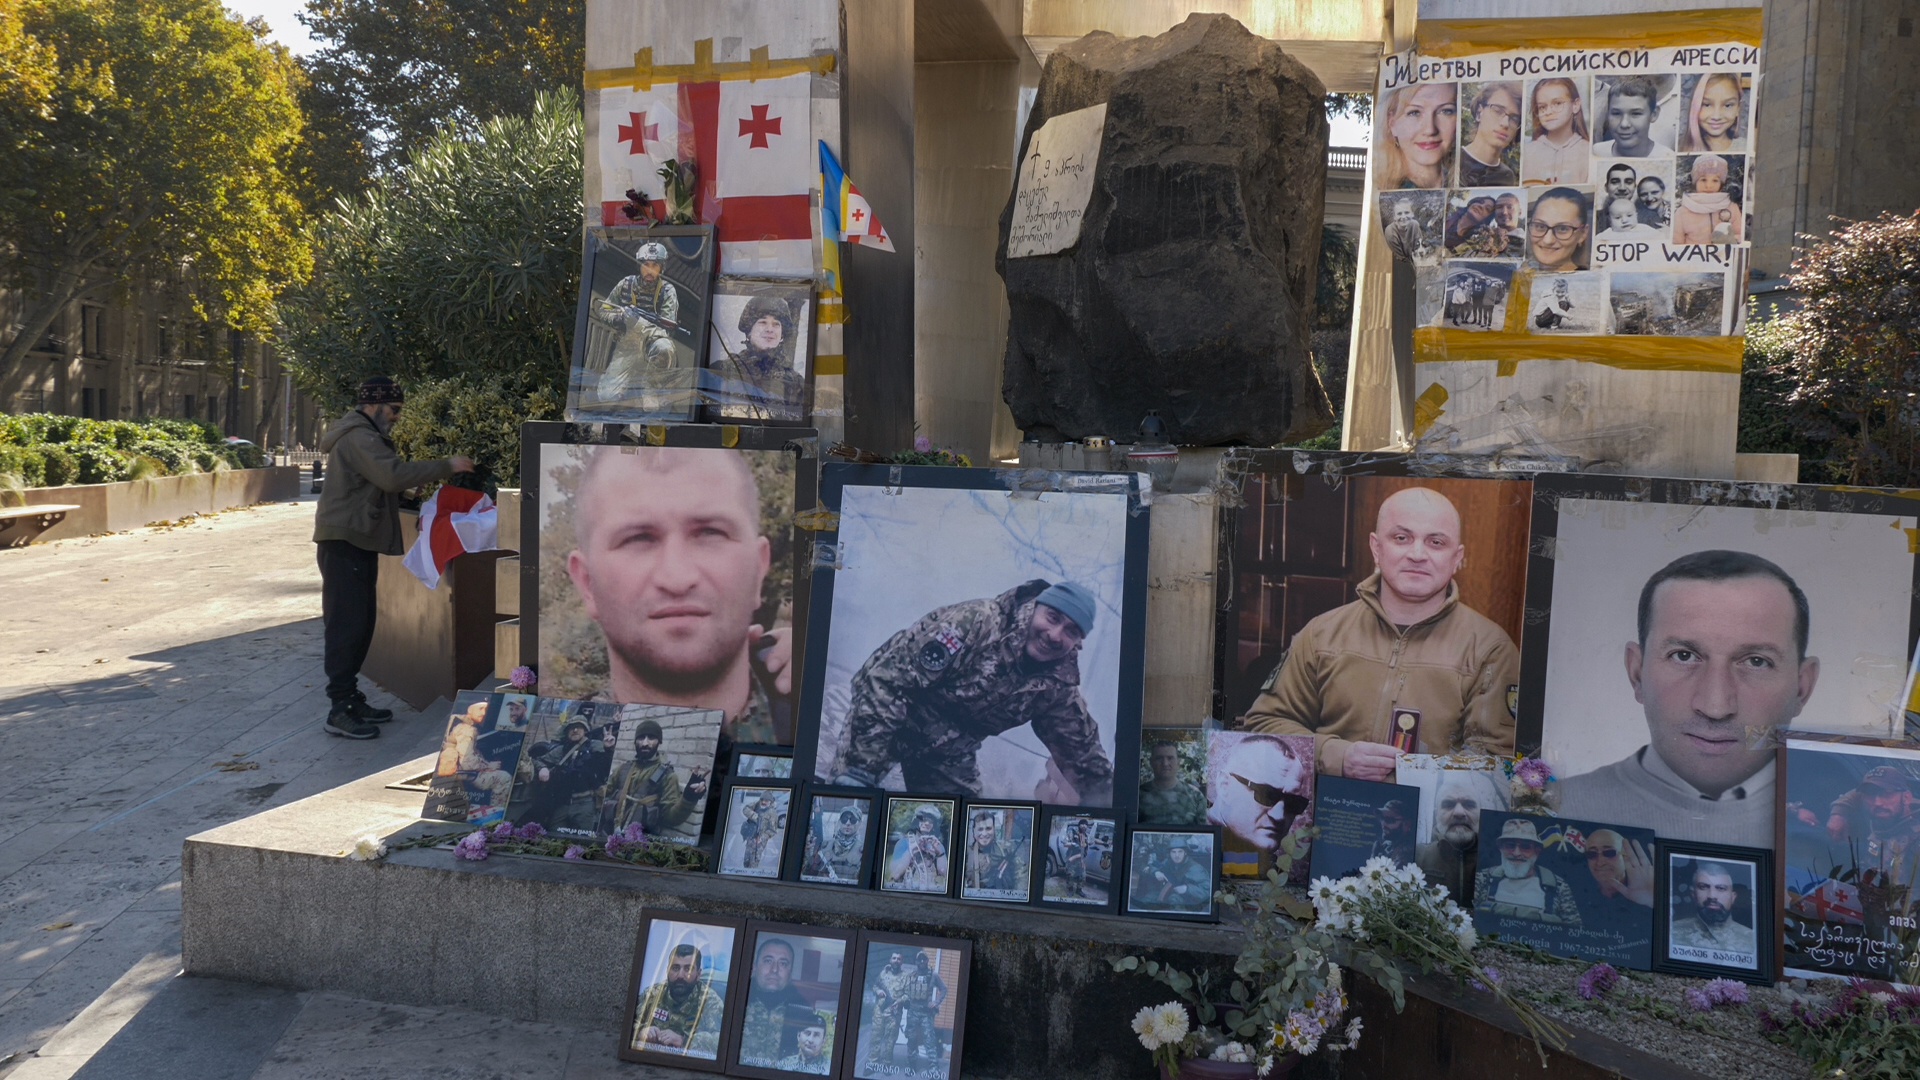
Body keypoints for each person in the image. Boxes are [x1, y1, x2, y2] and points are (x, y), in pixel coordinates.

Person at [1242, 487, 1520, 778]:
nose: (1417, 554)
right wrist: (1337, 756)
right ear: (1376, 548)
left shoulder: (1490, 648)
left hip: (1432, 821)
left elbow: (1497, 762)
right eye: (1401, 538)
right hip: (1331, 818)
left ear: (1456, 557)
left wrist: (1407, 775)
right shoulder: (1322, 634)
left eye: (1436, 542)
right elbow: (1265, 725)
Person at [1557, 550, 1820, 847]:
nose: (1716, 707)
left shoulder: (1853, 829)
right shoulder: (1552, 813)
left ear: (1802, 687)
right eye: (1683, 656)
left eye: (1756, 661)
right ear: (1636, 673)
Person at [564, 445, 792, 746]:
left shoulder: (832, 727)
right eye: (638, 538)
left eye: (711, 532)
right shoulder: (544, 762)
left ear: (759, 569)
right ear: (587, 582)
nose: (677, 578)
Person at [829, 579, 1115, 804]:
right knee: (849, 802)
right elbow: (887, 682)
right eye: (1052, 618)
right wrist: (861, 768)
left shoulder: (1057, 689)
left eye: (1070, 631)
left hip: (947, 754)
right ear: (1035, 608)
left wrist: (1115, 807)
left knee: (961, 828)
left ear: (1078, 642)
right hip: (890, 718)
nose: (1054, 635)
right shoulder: (976, 622)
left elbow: (1083, 755)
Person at [313, 376, 472, 739]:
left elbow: (374, 484)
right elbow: (390, 474)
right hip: (345, 543)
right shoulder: (359, 436)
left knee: (360, 623)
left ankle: (349, 699)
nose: (398, 416)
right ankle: (339, 709)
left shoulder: (362, 434)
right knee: (347, 626)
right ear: (374, 405)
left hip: (354, 541)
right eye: (395, 409)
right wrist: (448, 465)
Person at [594, 240, 681, 401]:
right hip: (627, 346)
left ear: (662, 268)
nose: (650, 270)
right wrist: (620, 317)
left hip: (653, 344)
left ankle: (652, 388)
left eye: (655, 265)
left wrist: (638, 323)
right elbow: (602, 310)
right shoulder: (626, 284)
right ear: (639, 266)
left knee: (665, 347)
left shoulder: (667, 291)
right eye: (646, 264)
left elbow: (667, 330)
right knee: (606, 396)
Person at [601, 718, 710, 836]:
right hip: (607, 835)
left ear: (659, 741)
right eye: (641, 738)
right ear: (635, 741)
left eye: (651, 738)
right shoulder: (622, 769)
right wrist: (608, 753)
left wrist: (689, 797)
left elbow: (672, 818)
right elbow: (601, 796)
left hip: (640, 843)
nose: (645, 743)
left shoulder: (667, 775)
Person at [1206, 735, 1311, 857]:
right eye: (1267, 795)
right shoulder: (1193, 844)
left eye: (1293, 802)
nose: (1279, 816)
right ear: (1224, 785)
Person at [711, 294, 808, 419]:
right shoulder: (721, 371)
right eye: (762, 322)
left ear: (782, 334)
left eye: (776, 324)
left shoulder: (795, 382)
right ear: (749, 331)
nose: (770, 329)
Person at [1417, 769, 1502, 906]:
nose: (1459, 812)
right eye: (1448, 805)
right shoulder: (1417, 856)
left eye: (1469, 805)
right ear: (1436, 814)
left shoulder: (1501, 860)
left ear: (1481, 814)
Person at [1474, 818, 1582, 925]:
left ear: (1537, 850)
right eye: (1510, 845)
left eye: (1525, 847)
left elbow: (1574, 932)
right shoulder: (1482, 878)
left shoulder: (1558, 886)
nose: (1516, 853)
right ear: (1500, 848)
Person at [516, 719, 615, 833]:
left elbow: (606, 766)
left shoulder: (594, 746)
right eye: (572, 728)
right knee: (553, 833)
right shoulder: (561, 750)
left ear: (585, 731)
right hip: (562, 803)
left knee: (583, 838)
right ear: (567, 732)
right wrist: (542, 768)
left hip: (585, 802)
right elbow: (536, 760)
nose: (575, 730)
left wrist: (609, 749)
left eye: (579, 727)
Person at [633, 942, 726, 1056]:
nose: (680, 975)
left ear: (698, 974)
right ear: (667, 970)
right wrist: (642, 1031)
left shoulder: (709, 1000)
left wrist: (683, 1041)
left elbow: (722, 1041)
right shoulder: (652, 994)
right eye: (675, 968)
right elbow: (630, 1023)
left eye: (688, 969)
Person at [737, 937, 814, 1066]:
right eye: (768, 961)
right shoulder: (735, 999)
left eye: (783, 963)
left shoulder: (802, 1010)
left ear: (790, 972)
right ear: (755, 967)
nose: (774, 970)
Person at [1668, 861, 1758, 963]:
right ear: (1693, 894)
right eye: (1703, 887)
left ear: (1733, 897)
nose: (1712, 895)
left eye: (1721, 888)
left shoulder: (1751, 940)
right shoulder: (1671, 932)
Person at [435, 700, 513, 816]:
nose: (483, 713)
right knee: (504, 777)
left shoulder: (464, 726)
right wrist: (488, 765)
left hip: (462, 769)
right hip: (464, 772)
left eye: (486, 710)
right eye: (480, 709)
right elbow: (467, 761)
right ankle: (492, 817)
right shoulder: (467, 730)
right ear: (469, 710)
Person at [1376, 82, 1457, 190]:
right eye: (1414, 113)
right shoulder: (1380, 189)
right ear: (1392, 123)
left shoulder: (1467, 182)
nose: (1430, 130)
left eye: (1445, 111)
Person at [1575, 828, 1655, 926]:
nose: (1600, 862)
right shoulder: (1576, 894)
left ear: (1626, 856)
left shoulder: (1645, 891)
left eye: (1609, 853)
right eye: (1592, 854)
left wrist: (1653, 901)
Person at [1520, 78, 1590, 184]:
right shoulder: (1527, 153)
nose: (1548, 112)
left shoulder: (1588, 152)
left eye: (1557, 103)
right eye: (1542, 107)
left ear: (1575, 105)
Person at [1457, 82, 1522, 186]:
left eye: (1514, 118)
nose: (1505, 124)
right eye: (1497, 111)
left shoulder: (1507, 176)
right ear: (1479, 113)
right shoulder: (1453, 161)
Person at [1593, 76, 1671, 157]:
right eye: (1616, 113)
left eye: (1635, 114)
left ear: (1654, 114)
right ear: (1608, 113)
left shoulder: (1666, 156)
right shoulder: (1597, 152)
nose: (1624, 124)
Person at [1673, 154, 1743, 244]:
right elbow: (1676, 244)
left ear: (1721, 183)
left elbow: (1740, 234)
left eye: (1715, 180)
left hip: (1724, 257)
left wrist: (1732, 241)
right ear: (1695, 182)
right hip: (1695, 257)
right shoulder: (1682, 212)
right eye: (1703, 180)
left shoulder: (1731, 206)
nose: (1709, 186)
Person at [1138, 740, 1208, 825]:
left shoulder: (1195, 796)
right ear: (1151, 762)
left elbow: (1203, 834)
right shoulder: (1139, 795)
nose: (1165, 763)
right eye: (1159, 758)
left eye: (1170, 758)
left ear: (1178, 762)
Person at [864, 950, 914, 1069]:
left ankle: (886, 1064)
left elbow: (908, 995)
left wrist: (899, 1001)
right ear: (890, 960)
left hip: (893, 1013)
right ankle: (872, 1064)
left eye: (899, 959)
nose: (896, 961)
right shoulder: (883, 973)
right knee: (875, 1038)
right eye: (894, 958)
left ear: (902, 961)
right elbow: (875, 986)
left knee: (890, 1040)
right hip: (879, 1012)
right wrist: (878, 991)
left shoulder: (906, 977)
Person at [901, 950, 949, 1065]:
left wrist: (936, 1002)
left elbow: (943, 989)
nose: (922, 961)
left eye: (924, 959)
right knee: (912, 1039)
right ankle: (912, 1064)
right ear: (916, 961)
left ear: (927, 960)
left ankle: (933, 1066)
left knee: (929, 1040)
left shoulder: (933, 975)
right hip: (912, 1012)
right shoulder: (911, 976)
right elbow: (904, 990)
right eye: (919, 959)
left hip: (926, 1013)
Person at [1527, 187, 1591, 272]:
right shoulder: (1518, 278)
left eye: (1562, 229)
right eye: (1540, 226)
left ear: (1583, 233)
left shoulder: (1589, 283)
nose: (1548, 241)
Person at [962, 811, 1025, 897]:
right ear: (974, 831)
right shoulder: (966, 853)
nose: (984, 834)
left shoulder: (1006, 849)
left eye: (988, 828)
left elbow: (1021, 876)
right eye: (980, 829)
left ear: (994, 829)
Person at [1679, 73, 1745, 153]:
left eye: (1728, 105)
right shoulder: (1680, 149)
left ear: (1738, 108)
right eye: (1707, 105)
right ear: (1695, 106)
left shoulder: (1744, 147)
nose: (1716, 116)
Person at [888, 807, 949, 891]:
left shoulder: (938, 845)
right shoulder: (903, 843)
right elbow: (895, 874)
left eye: (931, 821)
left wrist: (940, 853)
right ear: (916, 821)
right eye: (923, 819)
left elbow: (945, 874)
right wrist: (914, 848)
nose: (927, 823)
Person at [1140, 839, 1211, 911]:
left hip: (1187, 902)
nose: (1177, 855)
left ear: (1185, 853)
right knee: (1148, 899)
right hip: (1169, 894)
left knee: (1174, 900)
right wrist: (1156, 872)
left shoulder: (1196, 869)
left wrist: (1187, 889)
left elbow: (1208, 892)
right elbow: (1154, 867)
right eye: (1173, 852)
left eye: (1180, 852)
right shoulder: (1169, 862)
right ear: (1169, 853)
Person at [802, 805, 868, 883]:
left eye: (853, 820)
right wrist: (807, 851)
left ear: (860, 823)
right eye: (844, 819)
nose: (848, 823)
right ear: (839, 821)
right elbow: (807, 874)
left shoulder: (864, 850)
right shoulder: (824, 846)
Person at [737, 792, 780, 869]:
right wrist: (754, 816)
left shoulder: (773, 813)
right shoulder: (756, 805)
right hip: (750, 838)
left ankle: (751, 877)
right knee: (746, 860)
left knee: (754, 862)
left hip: (759, 842)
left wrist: (761, 838)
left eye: (766, 801)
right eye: (762, 800)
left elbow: (772, 831)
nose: (763, 802)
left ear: (770, 801)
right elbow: (745, 809)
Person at [1370, 799, 1417, 866]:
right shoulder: (1385, 846)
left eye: (1389, 820)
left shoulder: (1408, 851)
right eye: (1382, 818)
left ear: (1406, 824)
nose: (1383, 823)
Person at [1382, 198, 1430, 263]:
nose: (1403, 217)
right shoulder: (1390, 232)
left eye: (1407, 212)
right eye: (1399, 214)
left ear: (1412, 214)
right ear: (1394, 217)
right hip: (1398, 264)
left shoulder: (1414, 225)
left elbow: (1419, 247)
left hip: (1414, 260)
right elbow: (1399, 258)